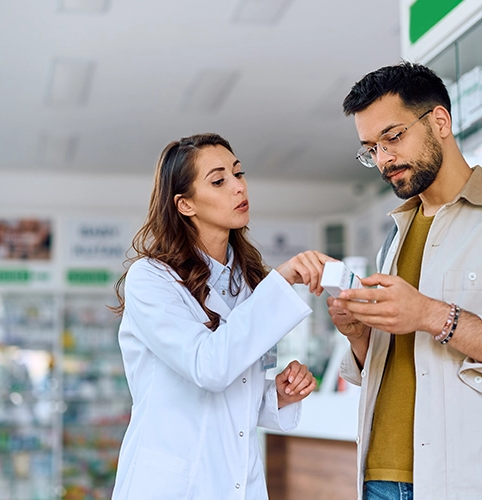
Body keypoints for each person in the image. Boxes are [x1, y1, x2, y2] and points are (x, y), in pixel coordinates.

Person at [328, 62, 482, 500]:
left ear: (440, 121)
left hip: (476, 480)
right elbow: (403, 360)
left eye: (392, 137)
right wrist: (358, 336)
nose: (383, 159)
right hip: (381, 476)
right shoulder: (396, 236)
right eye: (371, 148)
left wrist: (430, 314)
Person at [112, 133, 331, 499]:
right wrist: (284, 279)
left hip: (237, 481)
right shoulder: (151, 279)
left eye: (239, 173)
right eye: (218, 180)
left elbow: (238, 392)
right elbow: (208, 367)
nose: (238, 187)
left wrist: (276, 394)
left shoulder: (246, 281)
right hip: (172, 485)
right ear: (185, 205)